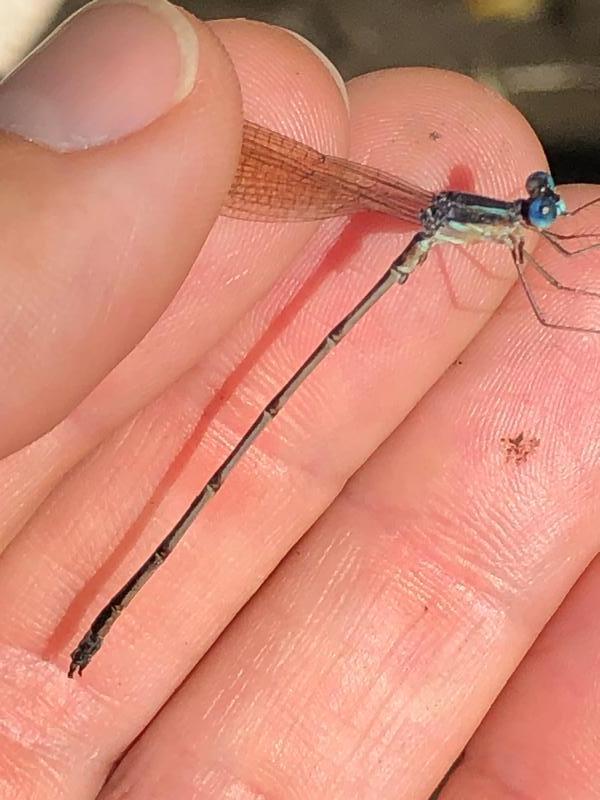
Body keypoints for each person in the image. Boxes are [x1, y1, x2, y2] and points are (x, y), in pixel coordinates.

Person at [0, 1, 598, 798]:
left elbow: (554, 255)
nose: (545, 216)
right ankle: (101, 630)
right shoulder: (508, 230)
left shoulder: (507, 224)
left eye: (544, 209)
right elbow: (551, 291)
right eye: (543, 211)